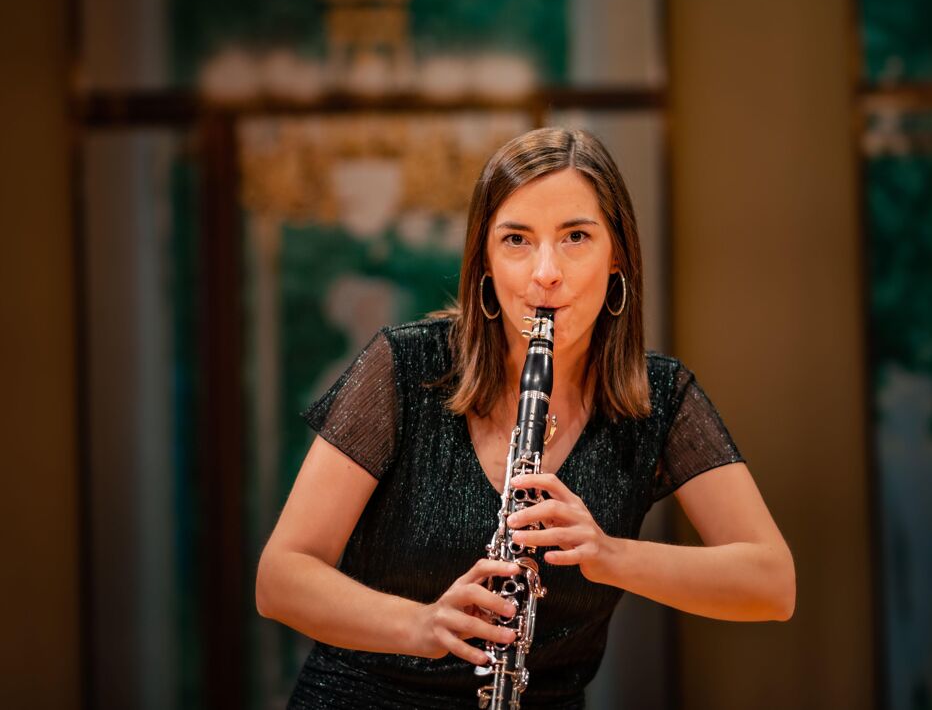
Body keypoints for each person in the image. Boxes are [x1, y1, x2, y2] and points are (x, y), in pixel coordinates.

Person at [256, 127, 796, 709]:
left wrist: (608, 554)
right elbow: (280, 578)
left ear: (617, 255)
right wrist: (424, 625)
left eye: (575, 237)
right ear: (485, 263)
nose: (546, 272)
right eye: (517, 240)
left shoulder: (658, 399)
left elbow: (771, 584)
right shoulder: (406, 367)